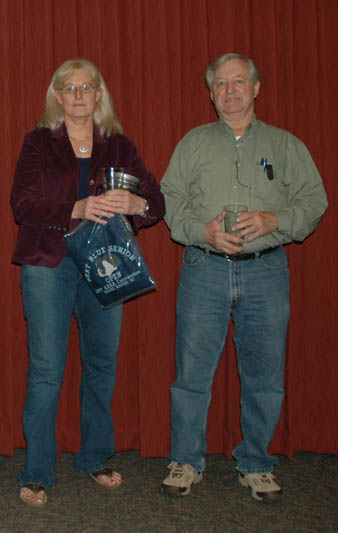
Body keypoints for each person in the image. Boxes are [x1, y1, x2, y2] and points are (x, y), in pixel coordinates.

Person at [160, 53, 327, 502]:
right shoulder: (192, 143)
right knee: (192, 373)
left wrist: (276, 220)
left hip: (266, 271)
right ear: (211, 92)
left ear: (256, 88)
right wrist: (202, 231)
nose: (230, 91)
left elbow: (314, 201)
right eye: (221, 84)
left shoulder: (286, 144)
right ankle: (185, 460)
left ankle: (256, 462)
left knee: (264, 375)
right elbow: (169, 199)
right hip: (204, 268)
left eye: (238, 82)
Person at [10, 58, 165, 507]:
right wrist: (75, 209)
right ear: (57, 97)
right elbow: (22, 204)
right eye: (69, 87)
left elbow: (156, 203)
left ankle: (94, 456)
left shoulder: (119, 145)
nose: (78, 95)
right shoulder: (38, 142)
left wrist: (137, 201)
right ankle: (38, 471)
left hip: (107, 262)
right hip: (48, 264)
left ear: (99, 95)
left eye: (86, 87)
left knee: (101, 365)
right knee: (46, 370)